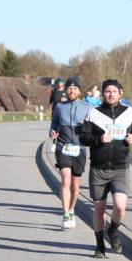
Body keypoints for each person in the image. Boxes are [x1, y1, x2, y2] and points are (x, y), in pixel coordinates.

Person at [79, 79, 132, 258]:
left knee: (120, 207)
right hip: (98, 168)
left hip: (120, 167)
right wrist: (99, 140)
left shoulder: (129, 113)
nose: (111, 94)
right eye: (107, 91)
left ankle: (113, 231)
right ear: (102, 94)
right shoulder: (94, 114)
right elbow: (83, 138)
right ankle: (99, 244)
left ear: (120, 93)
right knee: (99, 209)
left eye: (114, 91)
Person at [48, 77, 93, 229]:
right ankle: (66, 214)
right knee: (65, 181)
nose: (71, 90)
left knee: (75, 185)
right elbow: (54, 123)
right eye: (69, 88)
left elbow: (95, 127)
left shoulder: (88, 108)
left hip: (79, 149)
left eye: (75, 88)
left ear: (79, 91)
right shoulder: (60, 107)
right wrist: (52, 131)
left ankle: (72, 209)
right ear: (66, 90)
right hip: (63, 147)